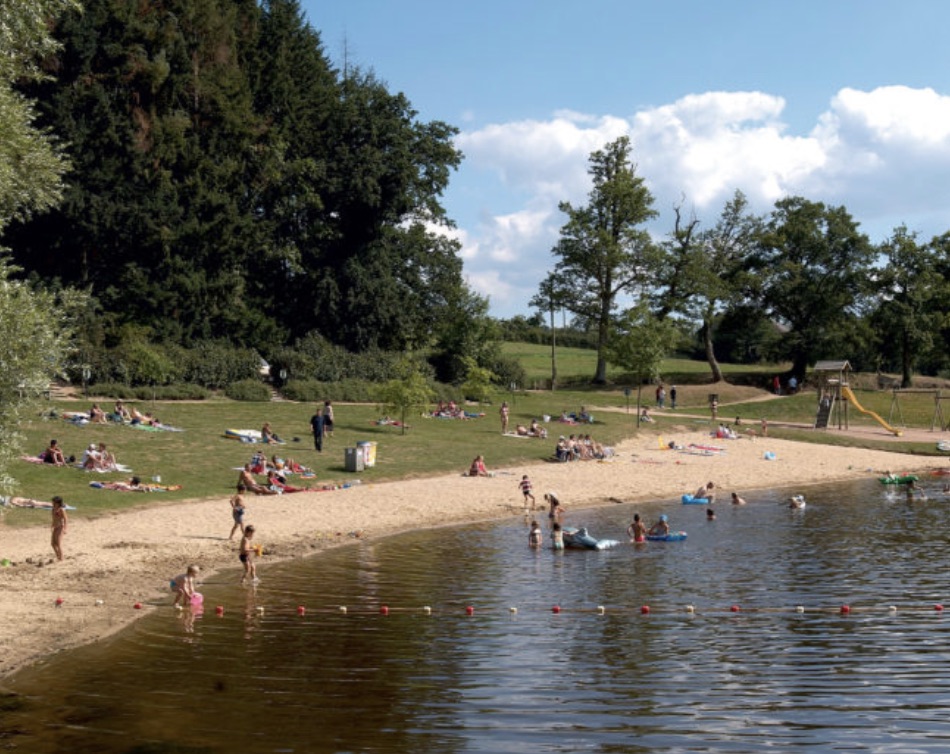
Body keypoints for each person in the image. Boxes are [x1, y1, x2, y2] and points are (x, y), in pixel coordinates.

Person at [51, 496, 67, 561]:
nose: (52, 503)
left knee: (58, 543)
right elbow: (54, 518)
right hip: (55, 527)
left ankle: (61, 558)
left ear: (57, 503)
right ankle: (58, 556)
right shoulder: (53, 509)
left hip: (60, 527)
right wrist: (52, 525)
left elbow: (66, 519)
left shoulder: (61, 510)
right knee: (52, 543)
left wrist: (65, 528)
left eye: (54, 502)